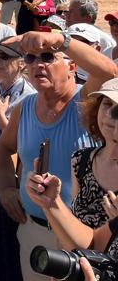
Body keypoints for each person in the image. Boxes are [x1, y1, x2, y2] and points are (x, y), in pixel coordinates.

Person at [0, 29, 116, 281]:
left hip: (86, 236)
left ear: (72, 65)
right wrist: (6, 187)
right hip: (34, 231)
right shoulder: (24, 107)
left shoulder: (88, 103)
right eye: (30, 58)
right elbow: (5, 148)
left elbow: (109, 74)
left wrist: (62, 40)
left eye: (48, 57)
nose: (38, 64)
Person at [25, 77, 118, 261]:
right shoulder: (81, 160)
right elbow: (90, 242)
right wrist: (51, 203)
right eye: (106, 103)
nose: (110, 115)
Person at [0, 39, 36, 281]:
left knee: (11, 240)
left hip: (14, 178)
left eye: (5, 57)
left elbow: (22, 142)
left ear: (21, 63)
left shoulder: (29, 96)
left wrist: (2, 117)